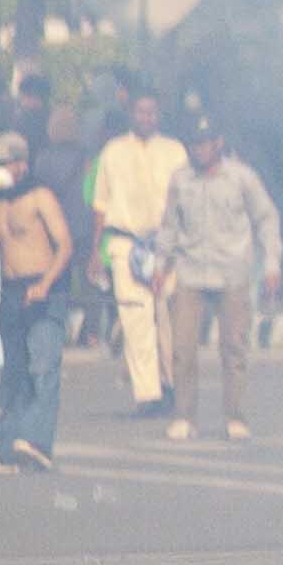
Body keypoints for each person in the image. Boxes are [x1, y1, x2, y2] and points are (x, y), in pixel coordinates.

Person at [156, 120, 281, 442]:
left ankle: (235, 416)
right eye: (194, 143)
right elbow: (169, 225)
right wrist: (160, 265)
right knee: (182, 347)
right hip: (190, 270)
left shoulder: (242, 178)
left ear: (218, 143)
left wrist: (271, 264)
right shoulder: (180, 179)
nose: (199, 149)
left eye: (205, 143)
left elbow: (265, 219)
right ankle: (184, 415)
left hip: (233, 272)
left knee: (234, 348)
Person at [88, 92, 188, 417]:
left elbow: (186, 203)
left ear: (159, 115)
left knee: (169, 319)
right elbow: (100, 206)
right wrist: (95, 252)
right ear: (131, 114)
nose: (146, 117)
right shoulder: (113, 152)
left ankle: (171, 384)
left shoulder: (175, 151)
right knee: (136, 320)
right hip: (125, 245)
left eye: (152, 112)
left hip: (166, 246)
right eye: (140, 112)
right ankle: (148, 394)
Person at [0, 132, 72, 474]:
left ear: (21, 164)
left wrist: (46, 283)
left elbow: (64, 246)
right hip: (11, 292)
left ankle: (37, 444)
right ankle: (8, 449)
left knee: (43, 368)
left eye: (5, 164)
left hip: (45, 292)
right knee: (13, 373)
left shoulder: (40, 197)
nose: (0, 171)